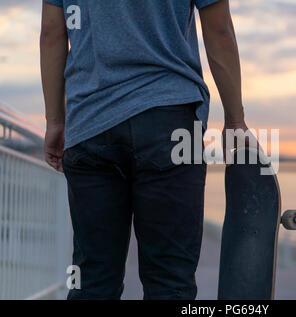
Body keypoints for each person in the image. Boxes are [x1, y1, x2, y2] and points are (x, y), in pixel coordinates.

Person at [40, 0, 248, 300]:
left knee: (91, 275)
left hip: (90, 123)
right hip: (172, 121)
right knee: (170, 278)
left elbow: (51, 33)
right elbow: (220, 30)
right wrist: (235, 120)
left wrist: (55, 121)